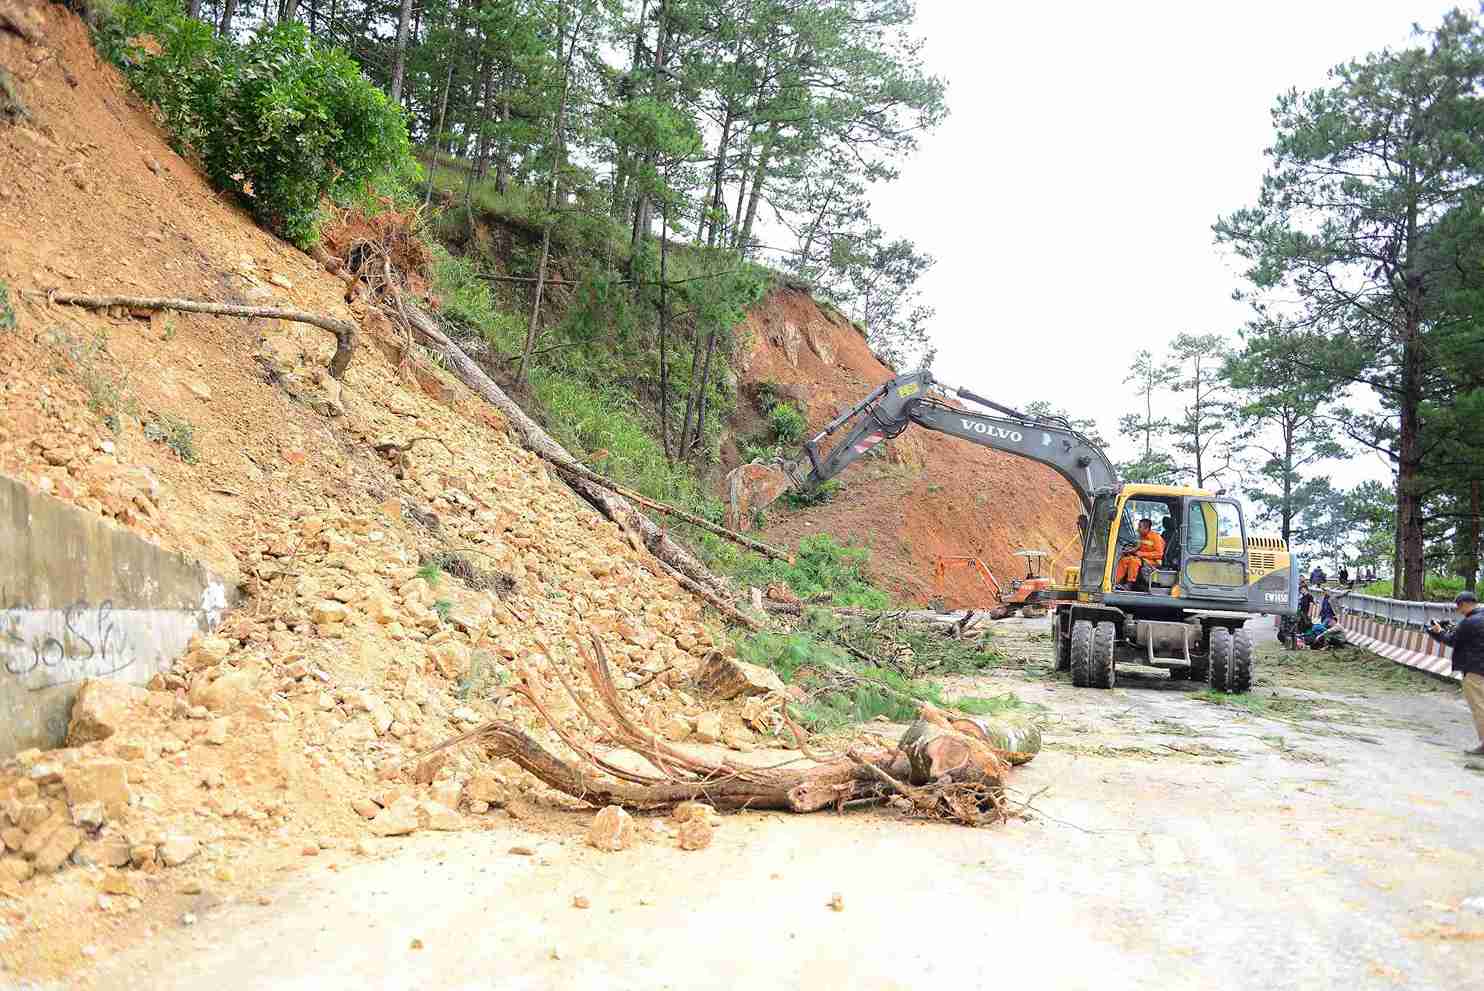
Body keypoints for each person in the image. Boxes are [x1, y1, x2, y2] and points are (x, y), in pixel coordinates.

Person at [1426, 591, 1484, 756]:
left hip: (1475, 670)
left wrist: (1436, 632)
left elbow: (1451, 640)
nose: (1458, 611)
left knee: (1479, 706)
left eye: (1458, 607)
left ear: (1465, 604)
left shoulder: (1470, 622)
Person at [1114, 518, 1165, 589]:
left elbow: (1159, 554)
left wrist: (1142, 554)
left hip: (1153, 562)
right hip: (1142, 559)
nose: (1138, 529)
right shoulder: (1142, 536)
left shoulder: (1156, 537)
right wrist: (1130, 551)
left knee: (1134, 561)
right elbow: (1138, 547)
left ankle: (1129, 584)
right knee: (1124, 560)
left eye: (1140, 527)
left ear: (1146, 528)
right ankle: (1115, 582)